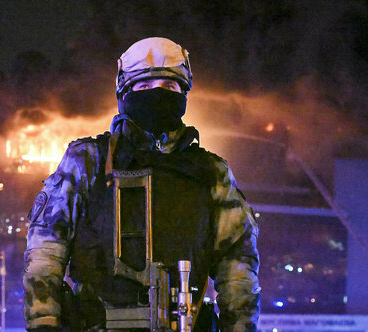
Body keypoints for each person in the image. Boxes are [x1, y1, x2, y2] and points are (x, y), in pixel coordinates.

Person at [22, 37, 260, 332]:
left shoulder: (211, 172)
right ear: (125, 92)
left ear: (184, 93)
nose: (157, 95)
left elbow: (238, 265)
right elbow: (46, 249)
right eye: (145, 87)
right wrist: (44, 322)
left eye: (169, 86)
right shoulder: (87, 160)